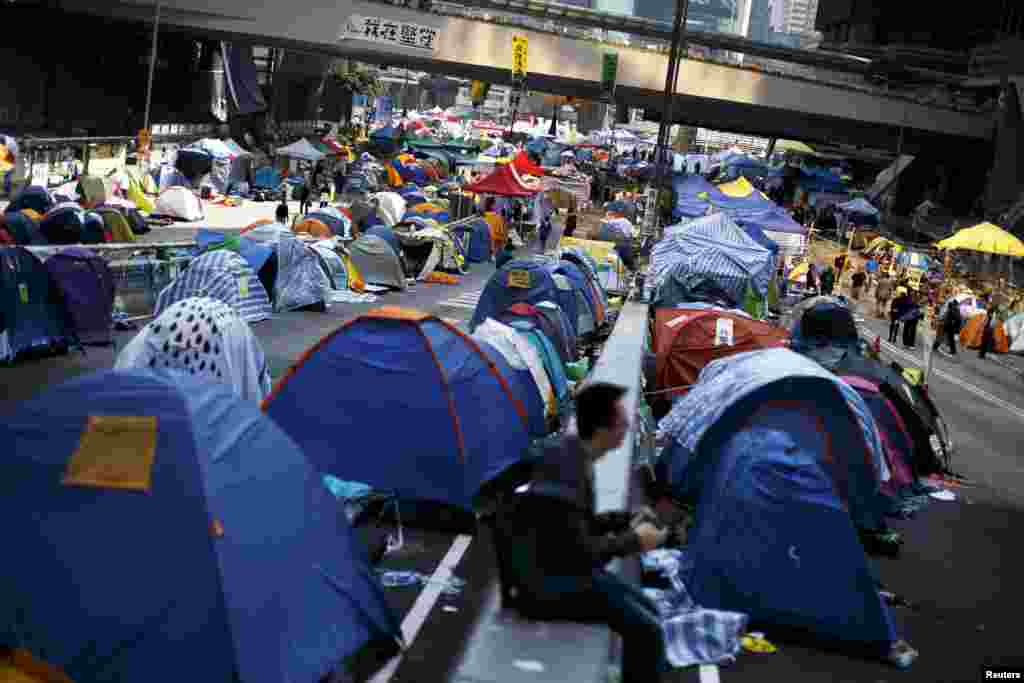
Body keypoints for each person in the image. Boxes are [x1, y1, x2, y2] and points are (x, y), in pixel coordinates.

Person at [509, 383, 669, 683]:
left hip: (554, 572)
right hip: (549, 588)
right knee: (648, 629)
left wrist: (624, 519)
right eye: (623, 423)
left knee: (648, 609)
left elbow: (574, 528)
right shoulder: (568, 470)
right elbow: (578, 555)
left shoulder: (572, 455)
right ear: (602, 429)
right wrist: (635, 540)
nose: (627, 429)